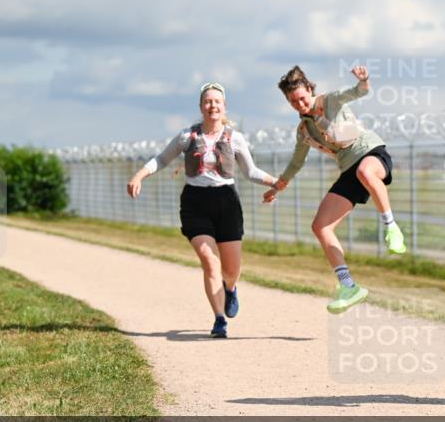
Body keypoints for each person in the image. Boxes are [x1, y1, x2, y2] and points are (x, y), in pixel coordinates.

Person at [126, 83, 277, 338]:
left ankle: (230, 288)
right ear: (201, 107)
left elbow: (250, 172)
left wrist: (276, 182)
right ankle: (219, 319)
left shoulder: (235, 138)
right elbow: (162, 159)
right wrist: (139, 175)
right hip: (195, 202)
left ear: (224, 106)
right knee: (209, 261)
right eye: (208, 101)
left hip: (227, 202)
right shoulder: (187, 136)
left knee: (231, 270)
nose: (212, 106)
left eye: (217, 101)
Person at [264, 65, 406, 314]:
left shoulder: (330, 100)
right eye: (293, 102)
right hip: (348, 169)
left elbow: (356, 92)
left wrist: (364, 81)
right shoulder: (304, 131)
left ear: (310, 90)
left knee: (365, 172)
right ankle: (348, 286)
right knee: (320, 226)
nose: (299, 104)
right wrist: (278, 185)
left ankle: (392, 228)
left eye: (302, 97)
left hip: (372, 153)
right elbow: (296, 162)